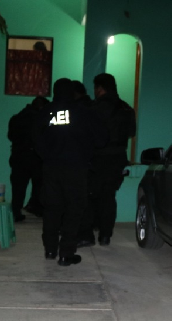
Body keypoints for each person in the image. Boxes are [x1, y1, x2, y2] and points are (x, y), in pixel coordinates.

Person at [35, 78, 108, 266]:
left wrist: (48, 157)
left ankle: (50, 249)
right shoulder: (83, 112)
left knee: (52, 209)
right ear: (72, 92)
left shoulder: (45, 112)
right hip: (76, 169)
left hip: (51, 169)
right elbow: (101, 140)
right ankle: (66, 253)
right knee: (74, 210)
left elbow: (35, 140)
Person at [77, 73, 136, 247]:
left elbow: (85, 133)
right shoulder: (126, 108)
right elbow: (131, 132)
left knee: (89, 196)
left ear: (100, 88)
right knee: (109, 197)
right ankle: (105, 235)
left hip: (97, 158)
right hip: (118, 158)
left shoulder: (95, 108)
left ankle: (87, 235)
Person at [7, 96, 49, 222]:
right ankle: (36, 208)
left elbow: (10, 136)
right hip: (36, 158)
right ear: (41, 107)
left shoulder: (16, 118)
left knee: (18, 188)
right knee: (39, 186)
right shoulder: (41, 119)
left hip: (18, 157)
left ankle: (16, 211)